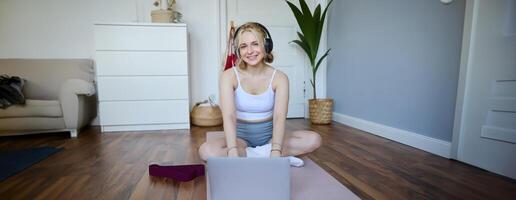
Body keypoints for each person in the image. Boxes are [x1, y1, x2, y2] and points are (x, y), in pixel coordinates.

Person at [198, 22, 321, 160]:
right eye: (243, 46)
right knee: (206, 151)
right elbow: (229, 116)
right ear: (238, 51)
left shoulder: (280, 78)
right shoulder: (229, 76)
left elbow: (279, 117)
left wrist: (275, 148)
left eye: (255, 44)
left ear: (266, 45)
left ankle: (255, 154)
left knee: (314, 139)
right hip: (239, 139)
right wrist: (232, 150)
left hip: (270, 138)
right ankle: (264, 154)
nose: (250, 51)